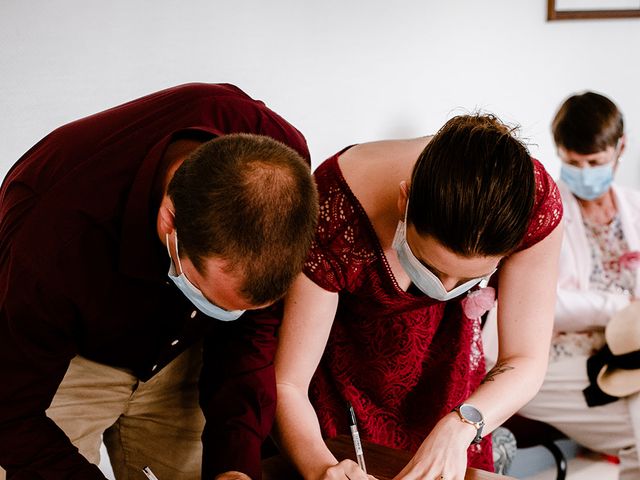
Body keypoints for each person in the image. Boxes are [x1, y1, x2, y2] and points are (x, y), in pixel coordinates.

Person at [0, 83, 318, 480]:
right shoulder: (50, 234)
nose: (226, 312)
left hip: (183, 355)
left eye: (232, 309)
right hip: (68, 362)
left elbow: (249, 336)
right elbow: (10, 413)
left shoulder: (280, 164)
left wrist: (234, 463)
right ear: (170, 220)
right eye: (208, 296)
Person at [272, 114, 563, 480]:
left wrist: (460, 426)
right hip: (343, 402)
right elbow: (288, 383)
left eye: (470, 279)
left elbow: (526, 358)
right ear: (403, 200)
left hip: (452, 385)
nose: (444, 288)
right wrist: (321, 469)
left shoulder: (531, 206)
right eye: (428, 265)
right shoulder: (334, 204)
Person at [517, 91, 640, 480]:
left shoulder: (634, 207)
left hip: (626, 350)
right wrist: (619, 306)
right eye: (572, 162)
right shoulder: (541, 212)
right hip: (557, 353)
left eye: (595, 162)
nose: (584, 172)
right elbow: (542, 304)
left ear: (621, 148)